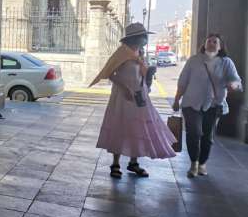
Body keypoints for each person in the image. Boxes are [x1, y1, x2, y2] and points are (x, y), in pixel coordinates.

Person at [90, 23, 177, 178]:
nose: (145, 39)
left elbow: (140, 75)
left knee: (137, 127)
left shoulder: (139, 53)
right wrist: (125, 88)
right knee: (120, 125)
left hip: (139, 95)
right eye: (143, 36)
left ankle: (133, 162)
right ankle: (115, 163)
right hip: (123, 96)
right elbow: (110, 74)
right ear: (134, 38)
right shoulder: (121, 53)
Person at [172, 34, 243, 177]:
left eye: (215, 42)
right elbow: (183, 81)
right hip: (191, 103)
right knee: (194, 133)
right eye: (209, 41)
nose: (211, 43)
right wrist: (177, 99)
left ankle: (202, 163)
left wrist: (233, 85)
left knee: (207, 136)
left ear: (220, 46)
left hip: (213, 105)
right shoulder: (194, 60)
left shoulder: (226, 62)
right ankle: (194, 164)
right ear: (204, 44)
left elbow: (236, 80)